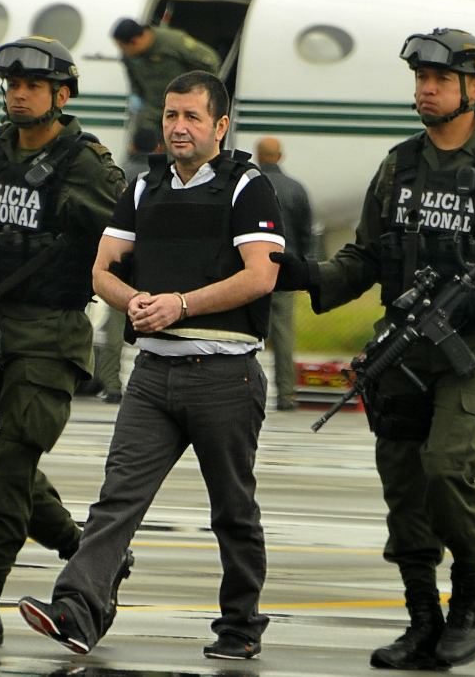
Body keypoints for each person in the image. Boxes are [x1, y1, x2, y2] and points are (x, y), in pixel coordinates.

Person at [272, 28, 475, 669]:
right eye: (419, 80)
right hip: (402, 349)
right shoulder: (400, 165)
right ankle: (421, 620)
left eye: (438, 79)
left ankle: (469, 602)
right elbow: (369, 257)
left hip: (472, 349)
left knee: (448, 467)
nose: (425, 90)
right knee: (404, 487)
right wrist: (310, 274)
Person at [18, 70, 283, 661]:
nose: (178, 127)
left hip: (225, 376)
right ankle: (78, 612)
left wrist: (181, 304)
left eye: (191, 117)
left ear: (220, 125)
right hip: (154, 377)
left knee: (232, 511)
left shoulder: (247, 187)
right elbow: (103, 269)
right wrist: (128, 300)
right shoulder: (143, 188)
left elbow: (261, 274)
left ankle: (240, 625)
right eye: (170, 115)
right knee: (116, 501)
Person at [0, 36, 130, 647]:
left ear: (61, 94)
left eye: (32, 87)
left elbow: (128, 232)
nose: (18, 95)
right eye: (11, 85)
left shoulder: (85, 163)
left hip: (50, 332)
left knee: (7, 463)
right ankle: (86, 552)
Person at [93, 127, 163, 404]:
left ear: (132, 145)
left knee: (115, 323)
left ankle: (111, 382)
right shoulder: (164, 177)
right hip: (154, 259)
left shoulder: (119, 173)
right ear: (158, 148)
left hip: (122, 259)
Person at [255, 136, 313, 410]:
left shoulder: (250, 185)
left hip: (253, 270)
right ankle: (286, 394)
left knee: (249, 332)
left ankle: (246, 389)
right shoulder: (296, 189)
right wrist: (305, 268)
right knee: (283, 334)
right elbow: (305, 232)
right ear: (280, 156)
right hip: (286, 271)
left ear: (258, 156)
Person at [111, 18, 220, 138]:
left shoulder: (172, 42)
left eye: (122, 47)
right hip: (152, 110)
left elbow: (210, 61)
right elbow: (134, 81)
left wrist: (200, 92)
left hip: (181, 108)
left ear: (134, 41)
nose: (122, 51)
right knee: (143, 146)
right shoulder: (130, 56)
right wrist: (137, 97)